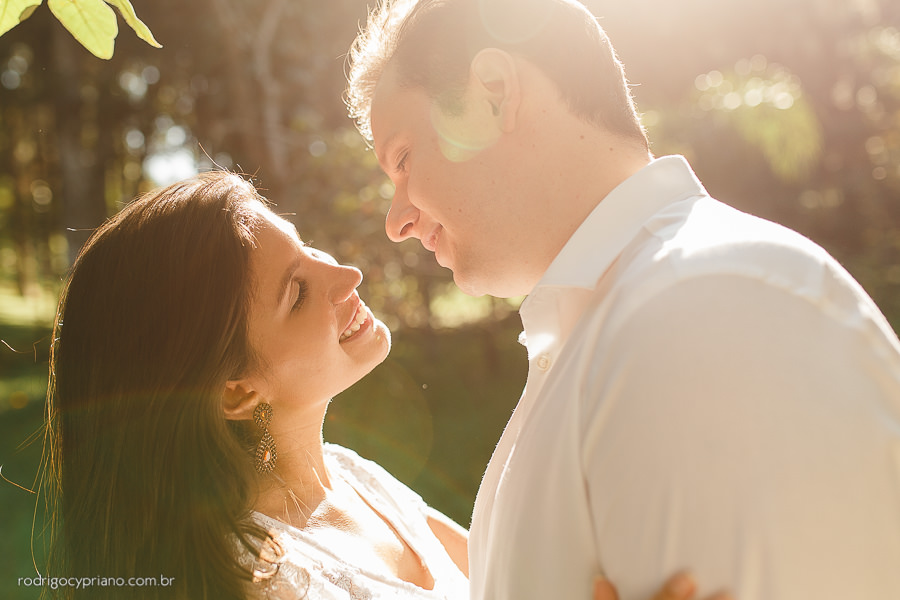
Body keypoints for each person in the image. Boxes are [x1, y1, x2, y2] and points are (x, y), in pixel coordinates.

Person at [345, 1, 900, 599]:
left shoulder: (703, 308)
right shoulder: (619, 324)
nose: (396, 222)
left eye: (403, 159)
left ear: (495, 93)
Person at [39, 171, 708, 600]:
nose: (346, 276)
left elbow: (524, 586)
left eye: (308, 250)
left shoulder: (353, 478)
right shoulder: (266, 584)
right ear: (237, 393)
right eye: (298, 292)